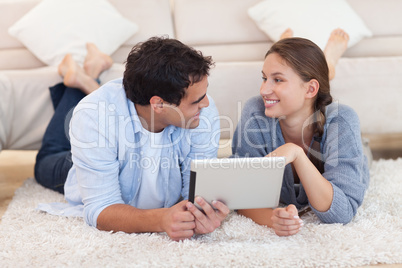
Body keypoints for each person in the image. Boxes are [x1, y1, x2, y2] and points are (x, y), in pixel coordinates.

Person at [34, 37, 229, 241]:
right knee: (46, 161)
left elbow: (197, 192)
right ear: (159, 105)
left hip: (109, 136)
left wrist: (203, 212)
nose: (206, 104)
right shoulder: (93, 115)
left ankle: (90, 75)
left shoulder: (201, 111)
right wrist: (161, 219)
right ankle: (83, 78)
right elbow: (100, 208)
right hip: (82, 162)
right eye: (196, 100)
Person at [231, 29, 369, 236]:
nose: (263, 90)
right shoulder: (255, 111)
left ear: (311, 89)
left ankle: (327, 63)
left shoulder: (343, 121)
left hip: (359, 151)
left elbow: (342, 213)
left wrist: (295, 154)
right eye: (264, 78)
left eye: (277, 80)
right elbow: (241, 194)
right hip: (312, 92)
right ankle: (310, 63)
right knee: (297, 78)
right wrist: (274, 219)